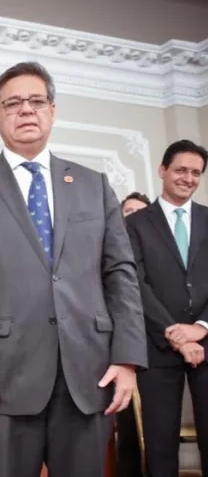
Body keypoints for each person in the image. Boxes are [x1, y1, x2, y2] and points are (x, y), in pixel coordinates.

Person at [0, 61, 147, 477]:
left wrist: (127, 358)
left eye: (36, 101)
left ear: (52, 110)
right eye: (13, 103)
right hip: (0, 379)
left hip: (89, 374)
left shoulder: (94, 184)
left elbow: (121, 274)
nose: (26, 110)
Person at [125, 139, 208, 477]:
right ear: (162, 170)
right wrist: (176, 334)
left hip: (206, 342)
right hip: (156, 346)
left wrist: (201, 327)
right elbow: (134, 283)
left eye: (196, 173)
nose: (188, 178)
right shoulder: (135, 224)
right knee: (160, 443)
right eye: (181, 170)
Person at [116, 190, 152, 477]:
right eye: (129, 212)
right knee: (127, 432)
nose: (135, 218)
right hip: (121, 353)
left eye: (141, 212)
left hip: (158, 352)